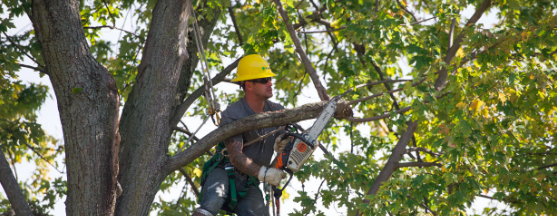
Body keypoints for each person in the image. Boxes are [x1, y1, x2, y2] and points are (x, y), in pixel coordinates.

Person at [193, 54, 290, 216]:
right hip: (225, 170)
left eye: (270, 79)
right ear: (249, 85)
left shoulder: (277, 111)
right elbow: (236, 157)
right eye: (263, 80)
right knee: (212, 202)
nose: (270, 83)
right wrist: (265, 174)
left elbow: (295, 144)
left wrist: (286, 143)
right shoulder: (233, 113)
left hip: (249, 182)